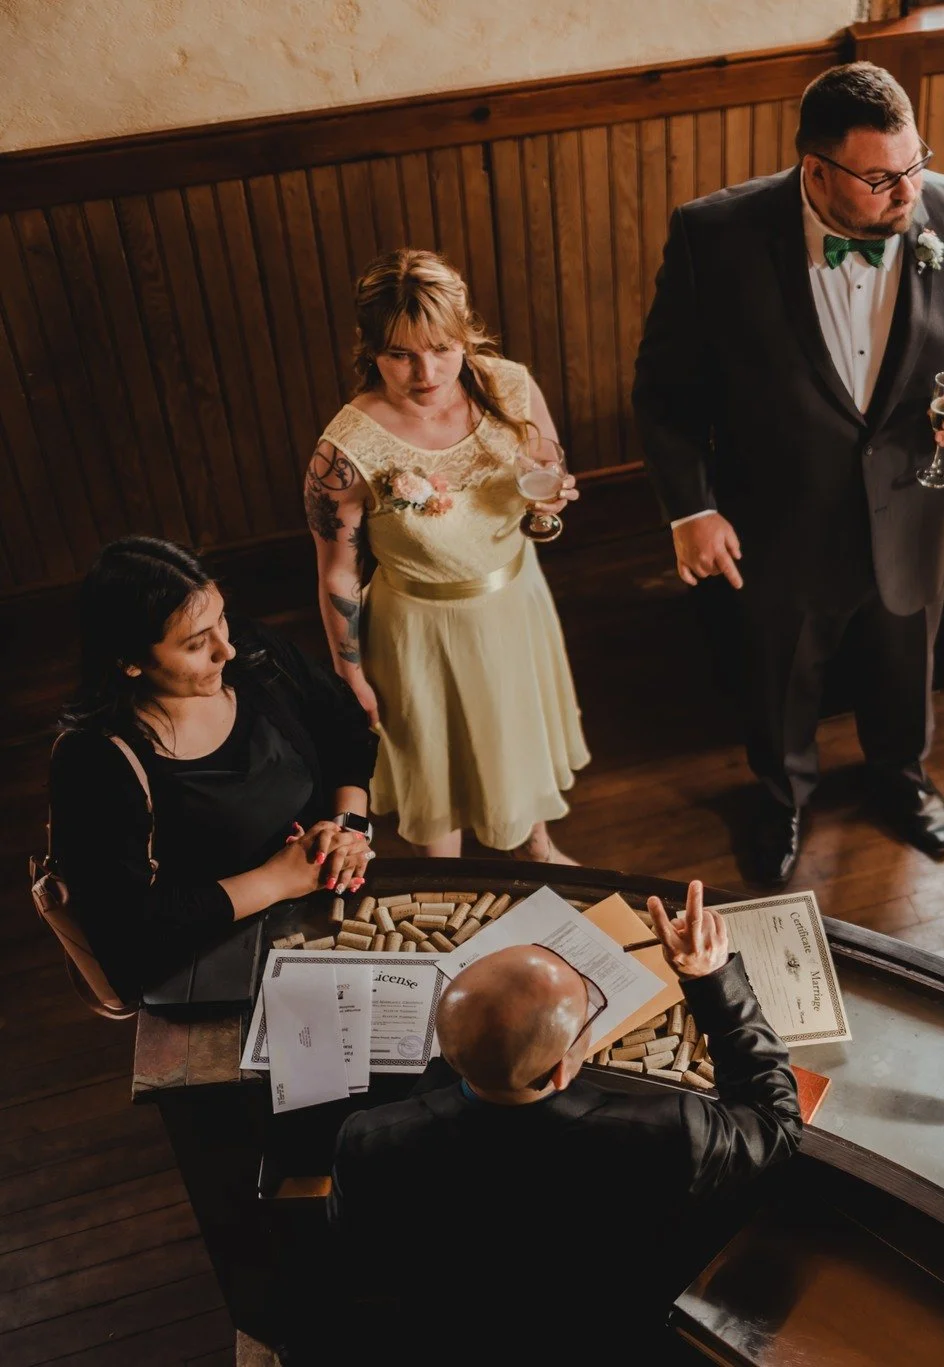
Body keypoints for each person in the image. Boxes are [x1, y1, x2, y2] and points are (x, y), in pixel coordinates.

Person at [634, 61, 944, 889]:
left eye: (915, 164)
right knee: (780, 673)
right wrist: (690, 508)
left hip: (920, 506)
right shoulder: (712, 238)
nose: (908, 194)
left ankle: (900, 777)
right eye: (880, 179)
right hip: (778, 517)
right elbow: (665, 391)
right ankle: (782, 797)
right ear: (816, 170)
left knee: (906, 660)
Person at [329, 881, 801, 1360]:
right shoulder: (675, 1132)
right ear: (560, 1071)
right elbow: (776, 1123)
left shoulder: (366, 1140)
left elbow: (358, 1264)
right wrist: (711, 979)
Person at [307, 249, 588, 862]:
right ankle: (447, 880)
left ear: (465, 335)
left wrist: (552, 497)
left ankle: (537, 843)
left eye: (442, 347)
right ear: (371, 350)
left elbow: (547, 462)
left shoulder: (509, 385)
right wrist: (349, 673)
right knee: (434, 753)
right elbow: (339, 570)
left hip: (514, 598)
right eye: (401, 354)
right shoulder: (343, 452)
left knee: (519, 726)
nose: (426, 372)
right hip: (418, 628)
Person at [46, 538, 377, 1003]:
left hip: (328, 912)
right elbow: (127, 926)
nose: (227, 650)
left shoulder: (250, 652)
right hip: (210, 964)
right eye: (196, 643)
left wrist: (350, 829)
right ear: (129, 661)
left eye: (219, 618)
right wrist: (276, 880)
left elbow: (343, 726)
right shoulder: (94, 760)